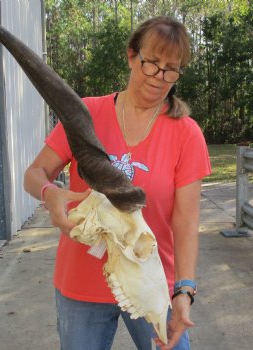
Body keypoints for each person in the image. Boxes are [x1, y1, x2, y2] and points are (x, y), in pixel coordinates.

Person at [24, 16, 211, 350]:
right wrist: (49, 194)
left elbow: (186, 221)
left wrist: (184, 289)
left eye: (172, 69)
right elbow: (35, 174)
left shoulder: (186, 133)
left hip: (150, 281)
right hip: (80, 282)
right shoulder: (87, 113)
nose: (159, 77)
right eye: (151, 63)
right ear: (130, 55)